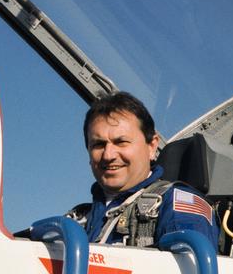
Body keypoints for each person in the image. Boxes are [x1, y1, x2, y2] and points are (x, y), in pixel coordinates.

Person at [70, 91, 215, 248]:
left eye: (121, 142)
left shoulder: (177, 207)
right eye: (98, 145)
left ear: (151, 147)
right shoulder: (76, 221)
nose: (108, 155)